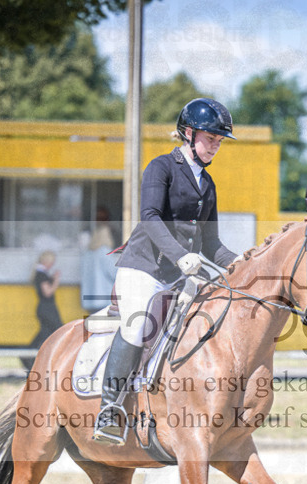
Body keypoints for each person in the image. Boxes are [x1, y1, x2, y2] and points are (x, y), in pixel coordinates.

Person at [93, 98, 240, 444]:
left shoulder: (208, 184)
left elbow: (211, 244)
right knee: (139, 324)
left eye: (219, 141)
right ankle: (109, 408)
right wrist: (180, 257)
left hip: (177, 276)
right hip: (143, 268)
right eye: (210, 138)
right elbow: (150, 217)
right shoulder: (161, 167)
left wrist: (245, 264)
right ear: (188, 134)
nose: (215, 146)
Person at [24, 250, 63, 370]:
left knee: (45, 333)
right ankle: (28, 356)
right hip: (47, 308)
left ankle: (28, 357)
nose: (52, 265)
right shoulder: (41, 274)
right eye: (51, 262)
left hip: (45, 308)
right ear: (46, 261)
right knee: (59, 331)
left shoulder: (41, 273)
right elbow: (48, 292)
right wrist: (56, 280)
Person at [80, 206, 119, 313]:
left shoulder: (88, 252)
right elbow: (113, 273)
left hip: (89, 300)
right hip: (103, 298)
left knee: (93, 327)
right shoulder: (104, 251)